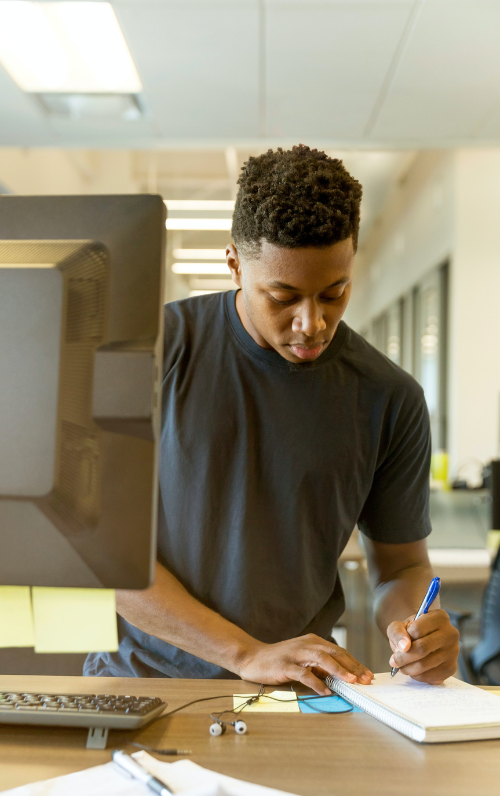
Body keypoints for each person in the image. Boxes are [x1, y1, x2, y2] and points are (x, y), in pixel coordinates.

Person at [85, 145, 459, 692]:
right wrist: (243, 653)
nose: (312, 322)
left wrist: (415, 632)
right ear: (235, 262)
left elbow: (401, 568)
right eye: (283, 297)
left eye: (335, 293)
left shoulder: (389, 397)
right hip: (143, 683)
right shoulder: (150, 353)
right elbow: (101, 552)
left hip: (296, 691)